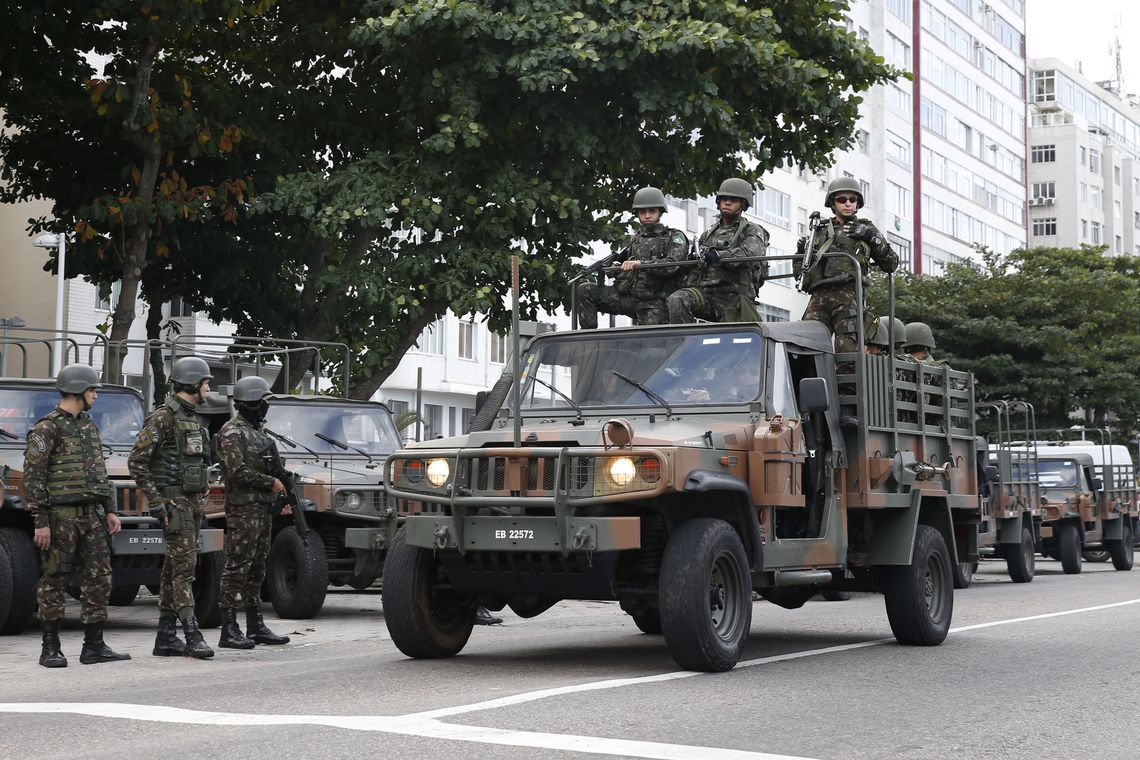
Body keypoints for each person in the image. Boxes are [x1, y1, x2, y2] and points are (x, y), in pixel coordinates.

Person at [24, 364, 130, 668]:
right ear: (77, 390)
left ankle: (94, 646)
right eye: (92, 390)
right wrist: (40, 522)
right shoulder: (47, 429)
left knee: (99, 579)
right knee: (54, 580)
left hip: (92, 518)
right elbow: (34, 478)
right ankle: (50, 648)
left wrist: (110, 510)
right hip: (61, 519)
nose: (96, 395)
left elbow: (99, 472)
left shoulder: (88, 425)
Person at [128, 355, 215, 659]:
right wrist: (156, 500)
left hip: (191, 504)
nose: (209, 387)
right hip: (174, 505)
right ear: (191, 384)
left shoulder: (192, 418)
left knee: (173, 569)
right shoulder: (163, 418)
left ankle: (165, 637)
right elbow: (137, 462)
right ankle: (191, 632)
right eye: (205, 382)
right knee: (184, 570)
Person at [215, 375, 292, 648]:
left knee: (258, 568)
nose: (266, 406)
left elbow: (272, 468)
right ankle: (228, 628)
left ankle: (255, 625)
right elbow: (236, 472)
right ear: (251, 402)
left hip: (262, 510)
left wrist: (282, 492)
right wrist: (270, 483)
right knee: (238, 566)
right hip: (243, 511)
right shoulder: (232, 432)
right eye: (263, 400)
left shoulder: (259, 433)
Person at [795, 177, 898, 352]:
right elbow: (800, 274)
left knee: (847, 350)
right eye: (842, 199)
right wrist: (800, 251)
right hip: (819, 295)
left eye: (853, 199)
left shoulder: (865, 227)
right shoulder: (818, 231)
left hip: (849, 295)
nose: (848, 203)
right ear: (833, 203)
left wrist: (871, 237)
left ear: (858, 203)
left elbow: (891, 263)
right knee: (807, 347)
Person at [577, 186, 689, 329]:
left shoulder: (674, 236)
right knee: (585, 290)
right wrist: (616, 270)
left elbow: (673, 265)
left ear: (660, 213)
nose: (647, 215)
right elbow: (626, 268)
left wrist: (640, 263)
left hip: (654, 302)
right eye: (642, 212)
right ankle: (589, 337)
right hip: (627, 298)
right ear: (637, 213)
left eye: (652, 211)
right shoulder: (634, 239)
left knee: (649, 340)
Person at [667, 178, 769, 323]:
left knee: (728, 336)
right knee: (677, 299)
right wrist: (693, 259)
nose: (727, 203)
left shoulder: (752, 230)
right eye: (724, 199)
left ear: (743, 205)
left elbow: (750, 255)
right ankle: (687, 337)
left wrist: (718, 255)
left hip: (733, 298)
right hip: (705, 294)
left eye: (733, 200)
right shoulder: (708, 234)